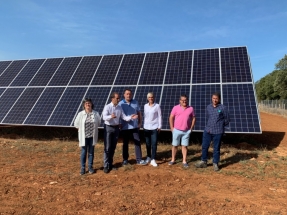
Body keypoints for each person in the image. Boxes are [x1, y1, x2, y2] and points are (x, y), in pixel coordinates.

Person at [102, 92, 138, 173]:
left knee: (113, 147)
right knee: (107, 147)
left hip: (116, 128)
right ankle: (105, 165)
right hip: (108, 128)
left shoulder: (119, 108)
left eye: (119, 98)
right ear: (112, 98)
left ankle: (110, 164)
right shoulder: (107, 107)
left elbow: (124, 117)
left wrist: (131, 117)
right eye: (117, 98)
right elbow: (104, 117)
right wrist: (110, 116)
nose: (118, 100)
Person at [195, 92, 230, 171]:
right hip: (208, 130)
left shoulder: (223, 108)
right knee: (204, 146)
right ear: (211, 98)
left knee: (216, 148)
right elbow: (208, 117)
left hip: (218, 131)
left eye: (216, 98)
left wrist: (220, 125)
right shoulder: (208, 107)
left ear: (219, 99)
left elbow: (227, 119)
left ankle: (215, 163)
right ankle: (204, 161)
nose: (215, 100)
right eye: (213, 98)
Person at [119, 89, 147, 166]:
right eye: (127, 94)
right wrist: (119, 123)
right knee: (125, 144)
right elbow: (118, 115)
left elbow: (139, 113)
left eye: (130, 94)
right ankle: (125, 160)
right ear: (124, 95)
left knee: (137, 142)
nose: (128, 95)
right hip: (125, 127)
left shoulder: (135, 102)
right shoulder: (120, 104)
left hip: (134, 126)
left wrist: (140, 123)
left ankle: (139, 159)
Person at [74, 98, 101, 175]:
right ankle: (82, 168)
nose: (88, 105)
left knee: (91, 152)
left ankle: (90, 167)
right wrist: (81, 129)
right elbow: (76, 124)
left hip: (92, 136)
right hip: (84, 136)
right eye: (86, 104)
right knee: (83, 152)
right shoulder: (80, 114)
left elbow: (99, 122)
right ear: (84, 105)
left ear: (91, 104)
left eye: (89, 103)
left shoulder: (96, 113)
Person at [169, 94, 196, 168]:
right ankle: (173, 160)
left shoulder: (191, 108)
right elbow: (171, 117)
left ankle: (184, 161)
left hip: (186, 131)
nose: (184, 101)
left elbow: (194, 118)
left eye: (185, 100)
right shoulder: (175, 108)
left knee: (184, 146)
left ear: (187, 100)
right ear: (180, 101)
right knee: (175, 145)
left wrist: (191, 128)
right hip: (176, 130)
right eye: (182, 100)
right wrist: (172, 128)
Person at [143, 92, 162, 167]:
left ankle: (153, 159)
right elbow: (145, 116)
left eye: (152, 97)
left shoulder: (157, 106)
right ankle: (148, 157)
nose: (151, 98)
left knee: (154, 143)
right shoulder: (145, 106)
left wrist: (160, 126)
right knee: (147, 143)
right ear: (147, 98)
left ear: (154, 98)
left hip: (154, 127)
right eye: (149, 97)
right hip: (146, 127)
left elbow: (159, 116)